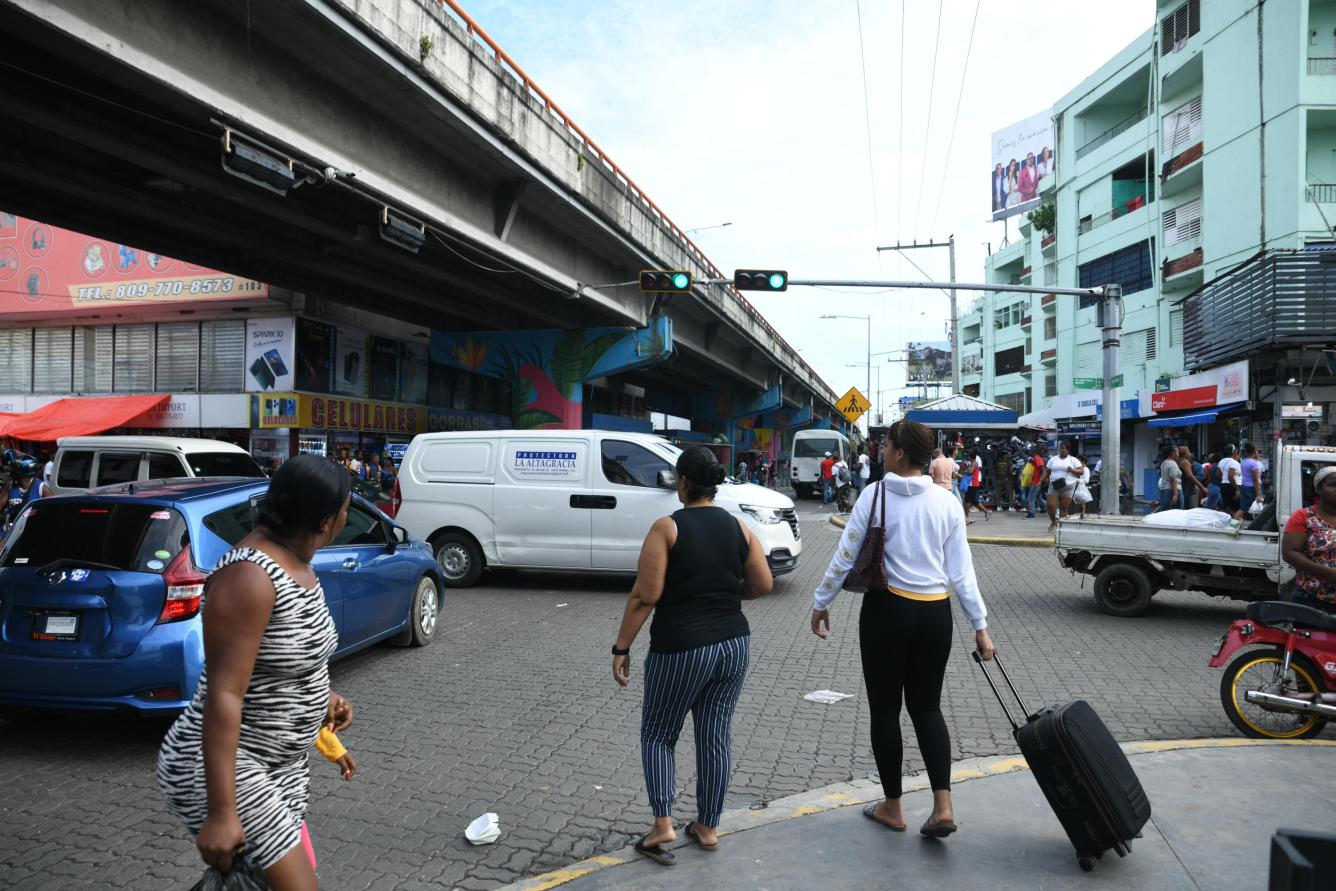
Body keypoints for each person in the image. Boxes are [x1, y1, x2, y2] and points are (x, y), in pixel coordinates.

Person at [157, 455, 355, 889]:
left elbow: (287, 660)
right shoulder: (248, 576)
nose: (348, 515)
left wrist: (324, 699)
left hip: (281, 762)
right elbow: (223, 694)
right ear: (326, 520)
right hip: (230, 765)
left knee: (251, 885)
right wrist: (222, 811)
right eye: (346, 507)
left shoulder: (297, 563)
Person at [810, 420, 994, 838]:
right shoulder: (947, 502)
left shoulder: (875, 494)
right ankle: (942, 806)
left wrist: (822, 602)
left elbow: (845, 555)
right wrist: (980, 627)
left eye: (886, 445)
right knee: (927, 708)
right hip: (935, 614)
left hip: (886, 612)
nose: (881, 452)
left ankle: (893, 807)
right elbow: (962, 573)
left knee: (885, 710)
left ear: (898, 453)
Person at [611, 446, 772, 864]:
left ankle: (663, 824)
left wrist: (622, 647)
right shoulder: (739, 526)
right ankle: (708, 826)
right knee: (715, 733)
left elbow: (645, 597)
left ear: (682, 482)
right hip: (734, 643)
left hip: (681, 647)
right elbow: (763, 584)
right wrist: (722, 594)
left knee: (659, 733)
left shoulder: (667, 528)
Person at [1281, 465, 1336, 614]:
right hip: (1312, 601)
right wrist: (1328, 573)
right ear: (1318, 489)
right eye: (1333, 485)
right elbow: (1290, 553)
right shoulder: (1304, 517)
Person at [1041, 441, 1083, 533]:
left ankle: (1061, 525)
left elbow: (1081, 471)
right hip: (1054, 485)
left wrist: (1072, 470)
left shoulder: (1073, 460)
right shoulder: (1053, 459)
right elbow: (1047, 471)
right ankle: (1053, 522)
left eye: (1065, 448)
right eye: (1061, 448)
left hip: (1068, 486)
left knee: (1064, 507)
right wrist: (1040, 481)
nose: (1063, 450)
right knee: (1050, 505)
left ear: (1068, 450)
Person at [963, 449, 992, 523]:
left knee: (967, 501)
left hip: (972, 484)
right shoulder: (974, 462)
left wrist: (964, 471)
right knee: (975, 501)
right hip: (974, 483)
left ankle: (966, 518)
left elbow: (970, 472)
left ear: (970, 456)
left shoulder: (974, 463)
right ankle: (986, 512)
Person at [1177, 446, 1207, 510]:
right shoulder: (1184, 462)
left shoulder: (1177, 461)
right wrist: (1202, 487)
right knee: (1191, 509)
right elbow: (1190, 476)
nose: (1189, 453)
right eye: (1188, 451)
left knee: (1182, 507)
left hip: (1180, 486)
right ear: (1186, 453)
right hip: (1186, 487)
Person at [1239, 442, 1264, 517]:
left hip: (1243, 486)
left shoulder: (1243, 462)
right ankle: (1256, 527)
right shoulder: (1254, 464)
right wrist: (1258, 495)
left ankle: (1232, 524)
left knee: (1242, 508)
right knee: (1258, 509)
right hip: (1252, 487)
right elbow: (1255, 480)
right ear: (1255, 451)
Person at [1156, 444, 1182, 513]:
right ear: (1172, 453)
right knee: (1176, 512)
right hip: (1173, 490)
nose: (1178, 454)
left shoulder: (1164, 462)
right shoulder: (1173, 464)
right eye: (1177, 452)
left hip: (1165, 490)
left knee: (1165, 511)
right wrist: (1175, 495)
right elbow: (1173, 479)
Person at [1218, 444, 1242, 516]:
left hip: (1224, 485)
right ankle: (1233, 523)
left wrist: (1224, 479)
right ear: (1234, 452)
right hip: (1233, 486)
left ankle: (1225, 522)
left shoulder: (1221, 461)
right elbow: (1230, 476)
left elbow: (1218, 474)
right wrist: (1237, 489)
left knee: (1228, 506)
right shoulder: (1234, 462)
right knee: (1236, 507)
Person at [1072, 454, 1094, 519]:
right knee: (1079, 503)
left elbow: (1086, 480)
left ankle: (1082, 515)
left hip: (1081, 488)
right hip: (1076, 487)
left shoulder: (1086, 470)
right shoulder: (1078, 469)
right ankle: (1079, 516)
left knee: (1081, 503)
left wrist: (1076, 480)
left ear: (1083, 461)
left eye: (1078, 461)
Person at [1028, 446, 1046, 519]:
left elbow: (1043, 469)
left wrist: (1040, 480)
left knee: (1031, 498)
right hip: (1037, 481)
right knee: (1038, 497)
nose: (1029, 452)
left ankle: (1031, 513)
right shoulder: (1036, 458)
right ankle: (1045, 508)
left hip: (1036, 481)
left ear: (1033, 451)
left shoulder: (1036, 458)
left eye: (1030, 450)